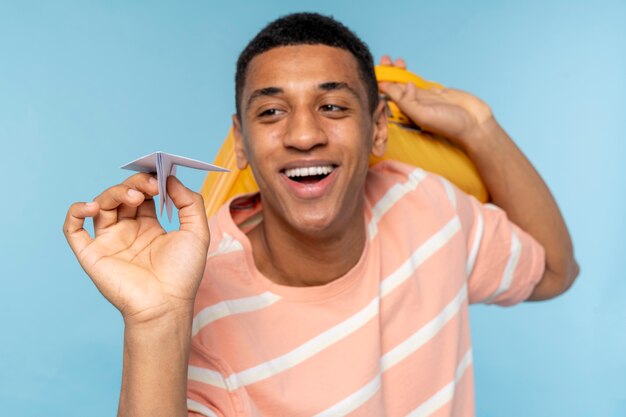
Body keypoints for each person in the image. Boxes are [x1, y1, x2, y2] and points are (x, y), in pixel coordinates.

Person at [63, 12, 579, 417]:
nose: (304, 134)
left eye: (332, 106)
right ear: (240, 142)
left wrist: (478, 126)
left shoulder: (427, 204)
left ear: (377, 129)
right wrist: (156, 321)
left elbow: (556, 271)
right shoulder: (199, 297)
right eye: (271, 111)